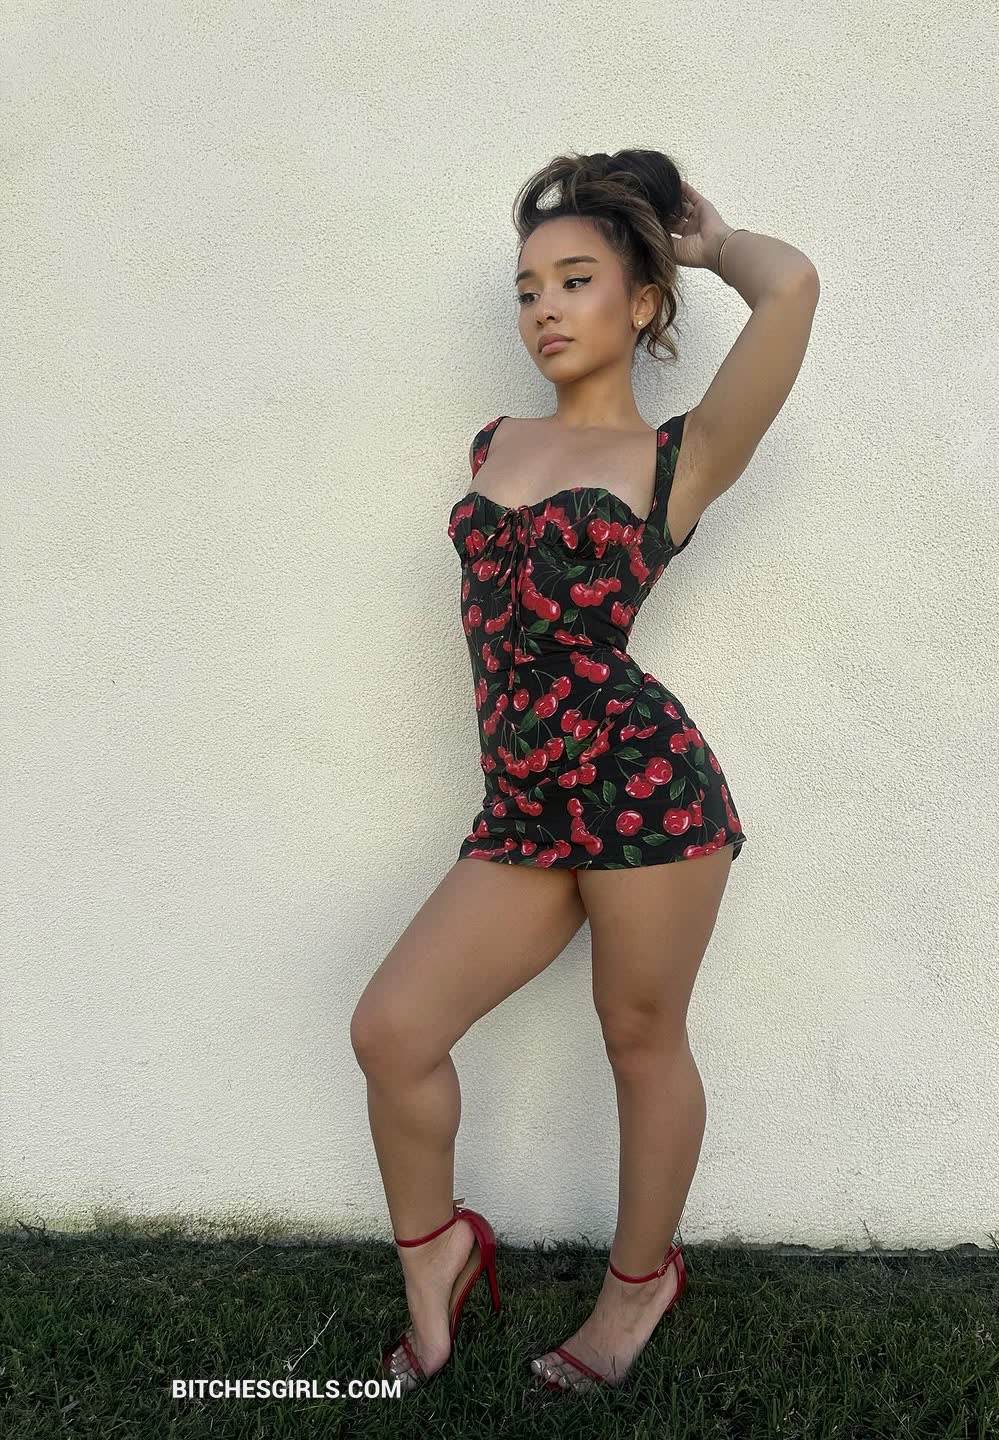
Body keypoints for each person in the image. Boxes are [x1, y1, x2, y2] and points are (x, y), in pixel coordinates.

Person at [350, 148, 819, 1395]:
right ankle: (437, 1261)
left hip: (645, 794)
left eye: (575, 279)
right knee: (393, 1030)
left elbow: (793, 289)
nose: (544, 308)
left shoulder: (681, 458)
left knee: (640, 1036)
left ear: (641, 302)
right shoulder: (495, 442)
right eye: (526, 289)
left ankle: (637, 1285)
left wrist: (711, 246)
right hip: (523, 807)